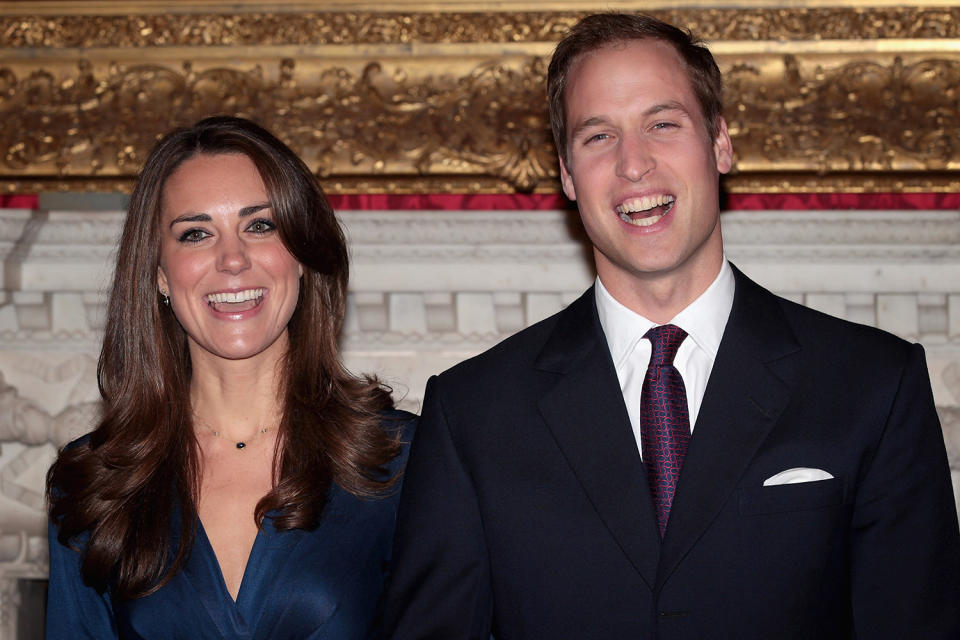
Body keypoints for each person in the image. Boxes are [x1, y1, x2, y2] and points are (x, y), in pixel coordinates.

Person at [381, 13, 960, 639]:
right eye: (598, 136)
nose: (634, 164)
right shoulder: (472, 413)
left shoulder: (873, 385)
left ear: (720, 143)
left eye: (662, 124)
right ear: (568, 175)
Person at [46, 116, 413, 639]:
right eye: (196, 234)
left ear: (302, 255)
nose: (233, 259)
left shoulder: (404, 463)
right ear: (158, 273)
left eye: (259, 225)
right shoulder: (93, 484)